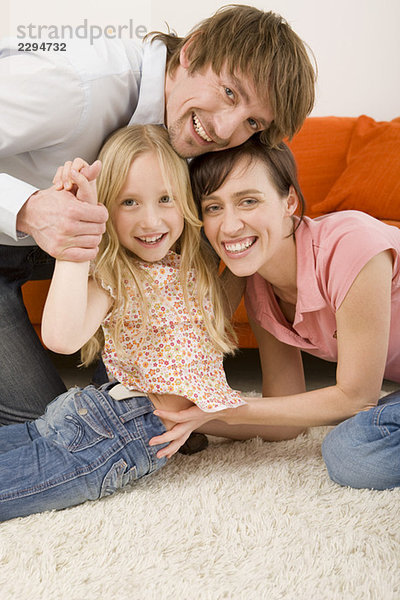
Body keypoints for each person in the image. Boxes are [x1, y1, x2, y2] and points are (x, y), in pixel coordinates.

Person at [0, 5, 316, 424]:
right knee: (42, 424)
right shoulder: (76, 85)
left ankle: (146, 381)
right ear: (193, 50)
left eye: (252, 120)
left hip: (86, 253)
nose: (225, 129)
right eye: (229, 93)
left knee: (113, 424)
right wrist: (27, 208)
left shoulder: (199, 132)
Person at [0, 124, 252, 521]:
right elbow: (62, 339)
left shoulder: (193, 270)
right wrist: (76, 238)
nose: (151, 221)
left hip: (98, 416)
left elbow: (236, 279)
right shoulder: (117, 277)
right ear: (105, 210)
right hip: (115, 434)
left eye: (166, 199)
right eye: (129, 202)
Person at [149, 136, 400, 490]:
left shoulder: (351, 246)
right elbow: (284, 422)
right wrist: (183, 418)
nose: (230, 226)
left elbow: (357, 398)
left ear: (290, 202)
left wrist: (229, 409)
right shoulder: (259, 284)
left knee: (351, 453)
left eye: (248, 201)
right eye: (213, 208)